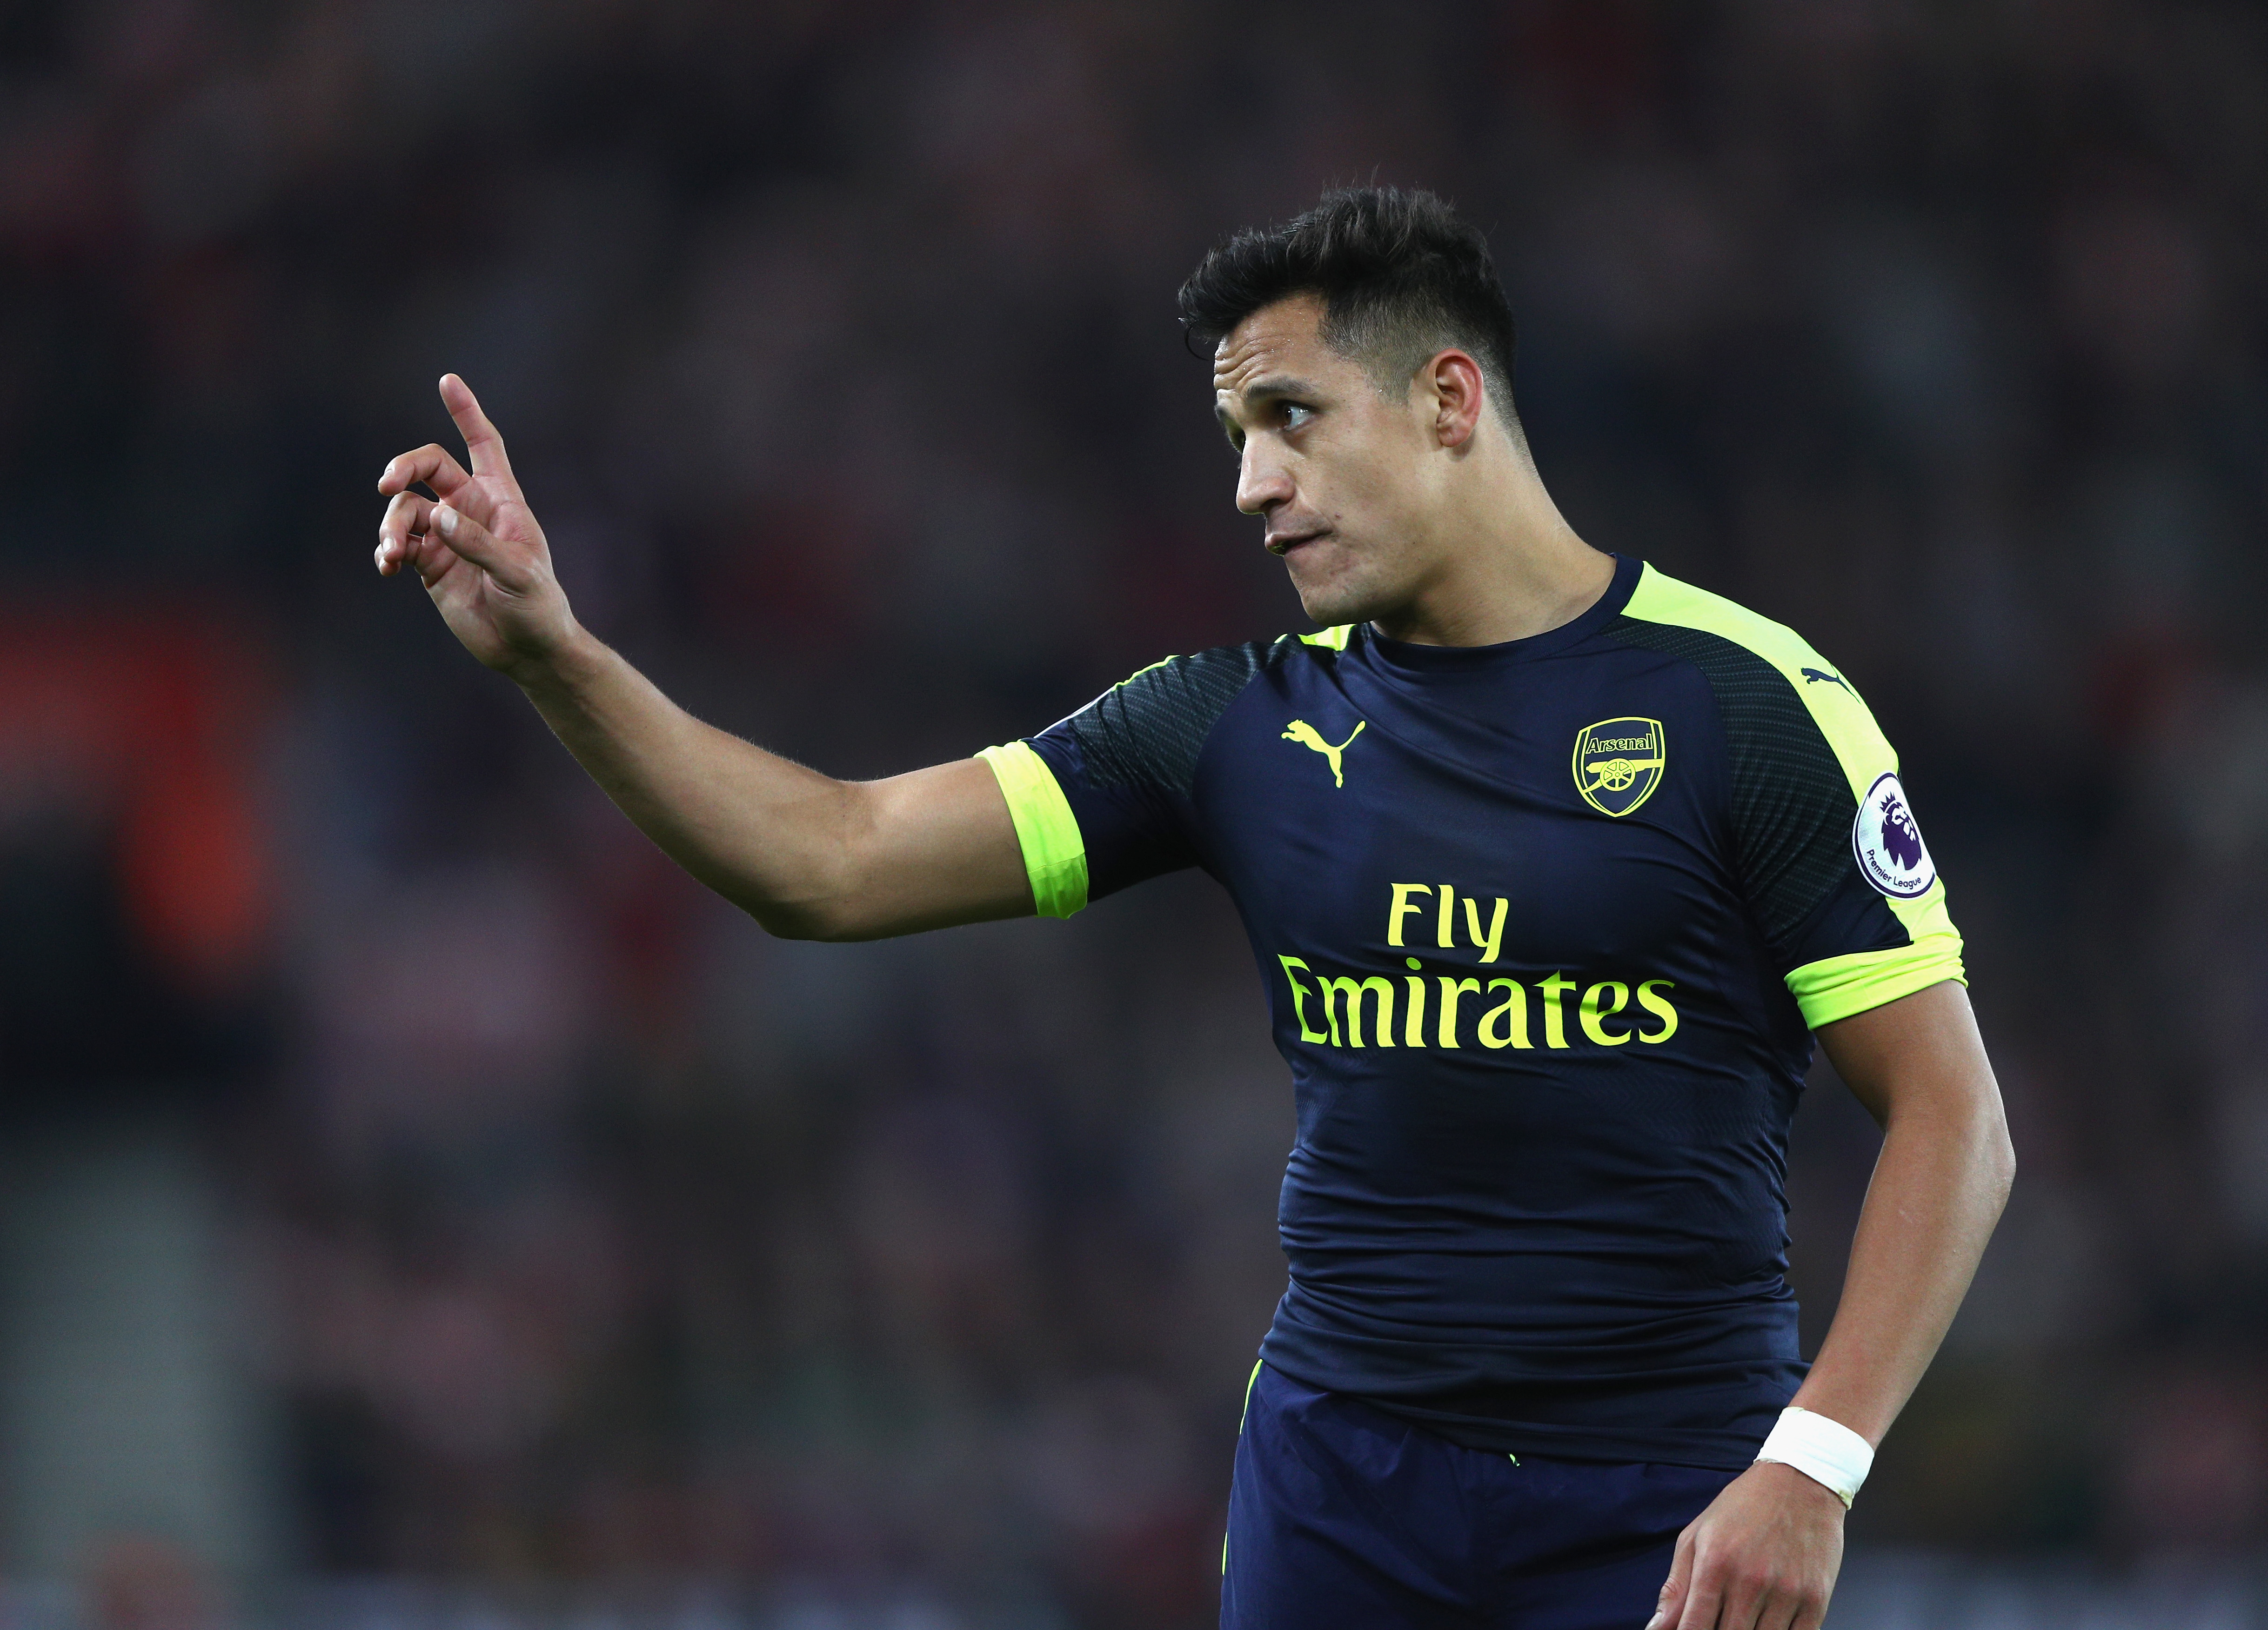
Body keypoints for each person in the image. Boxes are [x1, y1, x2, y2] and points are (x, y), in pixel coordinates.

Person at [374, 187, 2013, 1630]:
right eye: (1237, 435)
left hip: (1664, 1504)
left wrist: (1811, 1465)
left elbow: (1951, 1116)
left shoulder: (1748, 706)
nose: (1250, 485)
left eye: (1291, 418)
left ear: (1449, 400)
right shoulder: (1224, 722)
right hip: (1338, 1483)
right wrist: (558, 661)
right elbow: (835, 863)